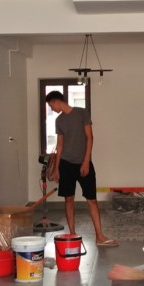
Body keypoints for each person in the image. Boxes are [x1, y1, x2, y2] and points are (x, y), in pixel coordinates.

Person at [45, 91, 118, 247]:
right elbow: (60, 145)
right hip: (66, 164)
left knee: (91, 199)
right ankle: (72, 235)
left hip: (84, 162)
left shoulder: (82, 113)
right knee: (68, 200)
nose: (52, 109)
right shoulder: (59, 120)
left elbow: (90, 138)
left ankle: (100, 236)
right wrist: (57, 168)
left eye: (51, 106)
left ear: (57, 101)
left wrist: (86, 161)